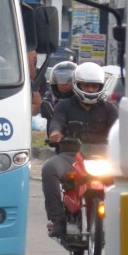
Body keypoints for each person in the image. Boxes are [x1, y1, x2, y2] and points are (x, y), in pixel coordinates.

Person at [41, 62, 118, 238]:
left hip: (103, 157)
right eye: (86, 85)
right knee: (49, 169)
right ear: (77, 84)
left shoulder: (109, 108)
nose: (90, 89)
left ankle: (121, 219)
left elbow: (119, 129)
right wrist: (55, 133)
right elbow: (57, 121)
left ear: (100, 86)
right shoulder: (64, 105)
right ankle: (57, 221)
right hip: (71, 156)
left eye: (94, 86)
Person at [40, 61, 77, 132]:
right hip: (55, 138)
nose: (64, 84)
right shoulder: (49, 98)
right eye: (60, 79)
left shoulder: (82, 101)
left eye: (69, 80)